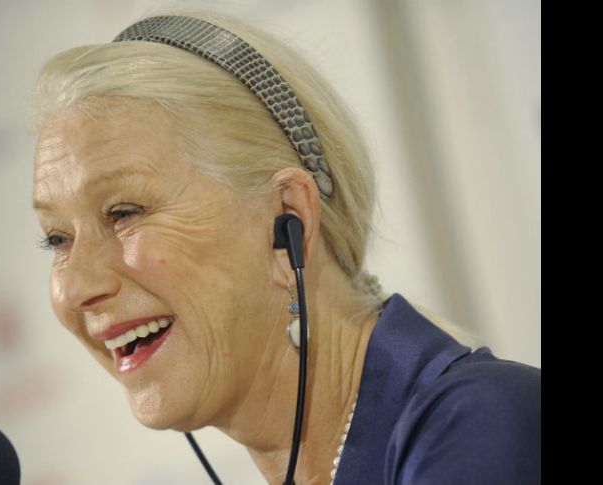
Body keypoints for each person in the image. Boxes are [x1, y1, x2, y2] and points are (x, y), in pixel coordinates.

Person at [31, 9, 540, 485]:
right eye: (57, 238)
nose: (76, 287)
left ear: (287, 222)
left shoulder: (480, 426)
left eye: (124, 213)